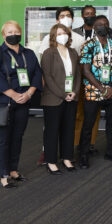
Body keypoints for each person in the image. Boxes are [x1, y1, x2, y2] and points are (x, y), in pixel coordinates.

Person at [0, 20, 42, 188]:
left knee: (17, 137)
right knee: (3, 139)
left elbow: (37, 75)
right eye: (9, 32)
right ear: (3, 35)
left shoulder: (29, 54)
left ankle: (13, 170)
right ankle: (3, 174)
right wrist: (14, 95)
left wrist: (29, 93)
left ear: (21, 33)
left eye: (15, 32)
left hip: (23, 102)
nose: (13, 35)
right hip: (3, 102)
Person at [78, 15, 112, 168]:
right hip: (93, 91)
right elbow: (85, 70)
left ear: (109, 26)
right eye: (99, 24)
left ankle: (111, 151)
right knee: (88, 124)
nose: (102, 26)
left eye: (105, 23)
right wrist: (101, 88)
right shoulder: (88, 45)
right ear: (94, 27)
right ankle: (83, 155)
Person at [40, 24, 81, 175]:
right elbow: (48, 78)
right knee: (52, 131)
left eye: (64, 32)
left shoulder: (73, 52)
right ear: (53, 36)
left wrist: (74, 92)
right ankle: (51, 162)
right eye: (59, 33)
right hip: (53, 99)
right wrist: (64, 94)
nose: (62, 35)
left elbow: (77, 75)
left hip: (72, 97)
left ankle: (67, 158)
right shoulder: (48, 53)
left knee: (69, 130)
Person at [73, 5, 100, 156]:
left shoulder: (101, 32)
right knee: (79, 112)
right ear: (82, 16)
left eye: (92, 14)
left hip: (95, 79)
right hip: (79, 77)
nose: (90, 16)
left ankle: (91, 143)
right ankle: (77, 142)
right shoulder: (75, 33)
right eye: (87, 14)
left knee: (94, 112)